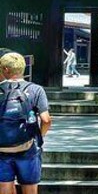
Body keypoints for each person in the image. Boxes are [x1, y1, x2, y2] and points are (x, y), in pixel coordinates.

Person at [0, 52, 51, 194]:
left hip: (2, 150)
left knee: (4, 189)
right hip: (28, 148)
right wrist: (39, 137)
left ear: (5, 69)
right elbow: (46, 120)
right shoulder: (36, 89)